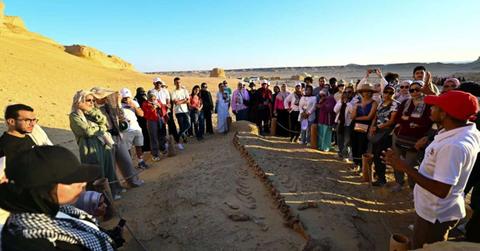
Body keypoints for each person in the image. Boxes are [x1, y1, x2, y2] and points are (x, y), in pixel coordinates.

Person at [383, 90, 480, 249]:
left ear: (444, 114)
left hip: (435, 214)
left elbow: (441, 189)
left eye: (435, 106)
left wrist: (404, 167)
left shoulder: (453, 146)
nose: (430, 109)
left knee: (424, 247)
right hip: (434, 210)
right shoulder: (461, 132)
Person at [0, 145, 125, 250]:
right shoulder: (30, 243)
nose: (82, 183)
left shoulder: (48, 209)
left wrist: (108, 236)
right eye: (72, 180)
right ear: (45, 189)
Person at [69, 90, 121, 199]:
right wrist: (100, 128)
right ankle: (100, 199)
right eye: (88, 100)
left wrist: (89, 110)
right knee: (96, 173)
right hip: (89, 147)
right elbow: (86, 132)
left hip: (102, 144)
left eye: (93, 100)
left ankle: (113, 192)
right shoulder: (74, 115)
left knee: (108, 169)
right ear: (80, 101)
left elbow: (104, 122)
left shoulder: (94, 111)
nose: (92, 103)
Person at [91, 87, 144, 188]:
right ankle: (115, 188)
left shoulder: (110, 106)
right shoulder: (93, 110)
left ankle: (133, 182)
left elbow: (120, 116)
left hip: (118, 136)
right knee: (111, 165)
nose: (104, 98)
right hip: (106, 139)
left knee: (126, 160)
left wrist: (118, 104)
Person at [391, 80, 433, 192]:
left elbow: (428, 122)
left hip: (416, 139)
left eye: (417, 89)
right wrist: (412, 122)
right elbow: (398, 118)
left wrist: (408, 120)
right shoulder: (406, 102)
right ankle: (399, 182)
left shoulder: (428, 103)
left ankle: (412, 187)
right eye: (411, 90)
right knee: (397, 160)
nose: (414, 92)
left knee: (410, 165)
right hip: (399, 136)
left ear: (422, 90)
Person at [369, 85, 399, 186]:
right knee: (375, 155)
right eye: (386, 92)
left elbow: (392, 121)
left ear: (394, 94)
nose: (388, 94)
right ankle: (379, 176)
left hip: (386, 134)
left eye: (391, 92)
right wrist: (372, 127)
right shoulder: (381, 103)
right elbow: (375, 117)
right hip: (377, 132)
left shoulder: (395, 104)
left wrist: (377, 127)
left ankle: (382, 179)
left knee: (380, 155)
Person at [351, 83, 378, 170]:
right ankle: (356, 163)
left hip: (366, 125)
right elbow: (352, 116)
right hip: (356, 126)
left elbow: (369, 117)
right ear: (361, 93)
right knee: (355, 144)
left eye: (369, 91)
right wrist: (356, 108)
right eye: (364, 91)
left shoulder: (374, 103)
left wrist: (357, 118)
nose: (366, 93)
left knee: (363, 145)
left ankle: (362, 165)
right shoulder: (358, 103)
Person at [120, 88, 148, 169]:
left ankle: (140, 161)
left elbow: (141, 114)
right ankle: (129, 164)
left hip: (136, 127)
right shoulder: (118, 105)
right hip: (126, 130)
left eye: (128, 97)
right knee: (127, 148)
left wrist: (135, 107)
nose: (126, 99)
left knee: (138, 145)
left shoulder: (134, 102)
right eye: (124, 97)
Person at [141, 91, 168, 161]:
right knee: (153, 137)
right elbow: (146, 113)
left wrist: (159, 106)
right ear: (148, 98)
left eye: (154, 98)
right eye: (151, 98)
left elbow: (163, 109)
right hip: (151, 121)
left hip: (160, 119)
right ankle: (155, 154)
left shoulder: (158, 101)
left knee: (161, 134)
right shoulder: (145, 103)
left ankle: (162, 148)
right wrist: (154, 107)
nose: (153, 100)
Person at [334, 85, 355, 161]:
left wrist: (347, 103)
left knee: (347, 140)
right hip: (340, 122)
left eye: (349, 92)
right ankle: (341, 153)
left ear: (352, 93)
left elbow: (352, 112)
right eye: (345, 92)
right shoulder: (340, 100)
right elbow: (335, 110)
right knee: (339, 139)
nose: (347, 94)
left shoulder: (354, 101)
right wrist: (342, 102)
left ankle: (345, 155)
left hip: (348, 124)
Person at [171, 77, 191, 143]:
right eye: (176, 82)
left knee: (188, 124)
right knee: (181, 126)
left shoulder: (184, 90)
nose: (178, 84)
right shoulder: (173, 92)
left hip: (185, 110)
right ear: (174, 83)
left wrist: (180, 101)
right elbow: (175, 102)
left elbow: (188, 100)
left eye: (179, 82)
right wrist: (184, 100)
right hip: (178, 111)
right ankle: (184, 139)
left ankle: (177, 136)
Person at [134, 87, 151, 152]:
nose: (143, 93)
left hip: (146, 118)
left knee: (147, 132)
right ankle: (143, 147)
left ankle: (148, 146)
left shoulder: (145, 97)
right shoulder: (135, 100)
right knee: (142, 133)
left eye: (143, 92)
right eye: (141, 92)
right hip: (139, 119)